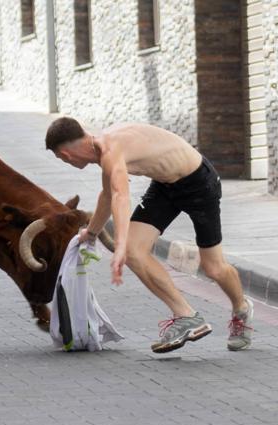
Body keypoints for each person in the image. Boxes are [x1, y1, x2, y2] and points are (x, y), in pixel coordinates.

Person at [45, 117, 254, 353]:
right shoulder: (102, 151)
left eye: (60, 158)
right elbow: (107, 195)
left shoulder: (110, 149)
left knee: (213, 267)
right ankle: (187, 316)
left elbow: (121, 196)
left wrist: (120, 245)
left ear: (66, 153)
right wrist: (91, 233)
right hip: (165, 187)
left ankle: (241, 308)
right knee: (135, 251)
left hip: (199, 183)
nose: (64, 161)